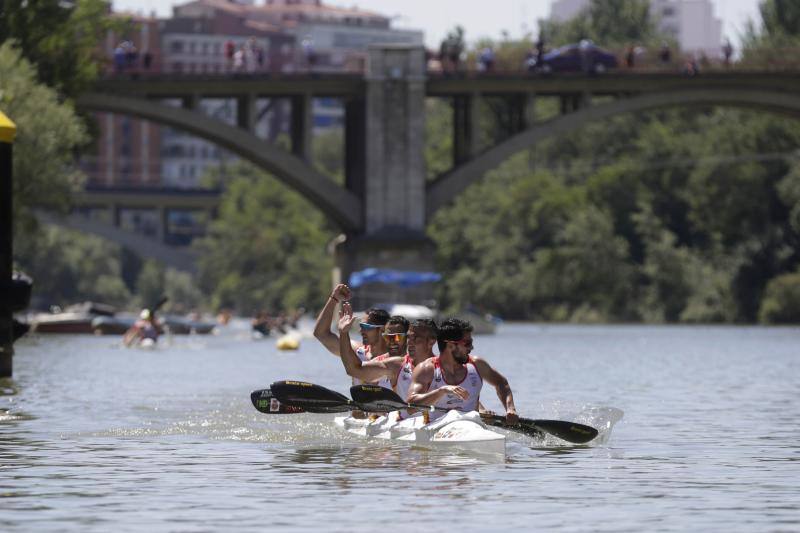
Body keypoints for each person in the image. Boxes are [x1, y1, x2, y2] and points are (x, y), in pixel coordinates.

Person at [407, 318, 518, 424]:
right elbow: (410, 407)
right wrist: (442, 391)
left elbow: (501, 383)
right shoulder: (426, 369)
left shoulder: (477, 365)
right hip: (435, 428)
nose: (471, 348)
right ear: (450, 345)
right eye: (467, 343)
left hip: (471, 425)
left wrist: (510, 408)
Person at [337, 303, 437, 401]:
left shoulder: (442, 366)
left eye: (397, 337)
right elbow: (353, 370)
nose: (392, 342)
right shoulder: (394, 365)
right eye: (387, 337)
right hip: (396, 415)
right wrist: (343, 333)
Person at [313, 283, 389, 363]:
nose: (361, 331)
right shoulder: (358, 352)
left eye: (366, 327)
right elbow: (321, 334)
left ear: (382, 328)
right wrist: (334, 298)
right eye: (361, 326)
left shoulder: (396, 359)